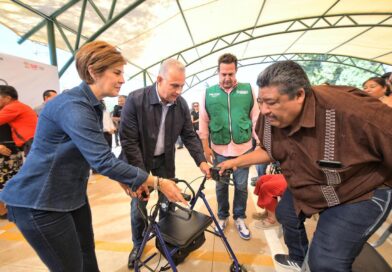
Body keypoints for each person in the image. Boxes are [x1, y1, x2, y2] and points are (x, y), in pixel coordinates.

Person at [0, 41, 187, 272]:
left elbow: (95, 154)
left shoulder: (93, 106)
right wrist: (158, 182)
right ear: (92, 71)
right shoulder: (73, 106)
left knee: (87, 256)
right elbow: (103, 161)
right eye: (117, 72)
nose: (122, 79)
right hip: (41, 202)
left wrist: (125, 180)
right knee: (72, 267)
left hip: (72, 196)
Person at [218, 60, 392, 271]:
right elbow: (269, 151)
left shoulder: (352, 110)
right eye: (261, 101)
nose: (263, 110)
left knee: (325, 261)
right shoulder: (267, 119)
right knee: (286, 214)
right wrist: (235, 161)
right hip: (311, 184)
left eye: (271, 102)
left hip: (358, 191)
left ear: (299, 95)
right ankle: (299, 259)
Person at [119, 58, 210, 268]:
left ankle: (167, 240)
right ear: (159, 80)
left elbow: (189, 135)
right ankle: (138, 243)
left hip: (164, 159)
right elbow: (129, 142)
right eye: (174, 85)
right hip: (137, 160)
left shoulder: (181, 104)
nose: (178, 91)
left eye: (181, 86)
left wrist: (201, 161)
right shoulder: (136, 99)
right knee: (139, 204)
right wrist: (143, 178)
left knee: (167, 201)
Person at [199, 53, 259, 240]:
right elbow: (203, 121)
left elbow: (256, 118)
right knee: (221, 186)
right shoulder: (209, 93)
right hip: (219, 150)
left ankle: (240, 217)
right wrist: (205, 148)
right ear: (218, 72)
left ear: (236, 71)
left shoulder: (248, 90)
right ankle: (223, 216)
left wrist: (261, 145)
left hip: (244, 150)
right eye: (224, 74)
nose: (227, 78)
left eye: (230, 74)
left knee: (241, 186)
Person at [0, 85, 37, 156]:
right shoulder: (19, 106)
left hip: (31, 143)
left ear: (8, 98)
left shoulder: (12, 107)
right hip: (32, 143)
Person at [0, 124, 23, 218]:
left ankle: (13, 210)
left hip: (14, 152)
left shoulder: (10, 110)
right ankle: (2, 212)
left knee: (16, 182)